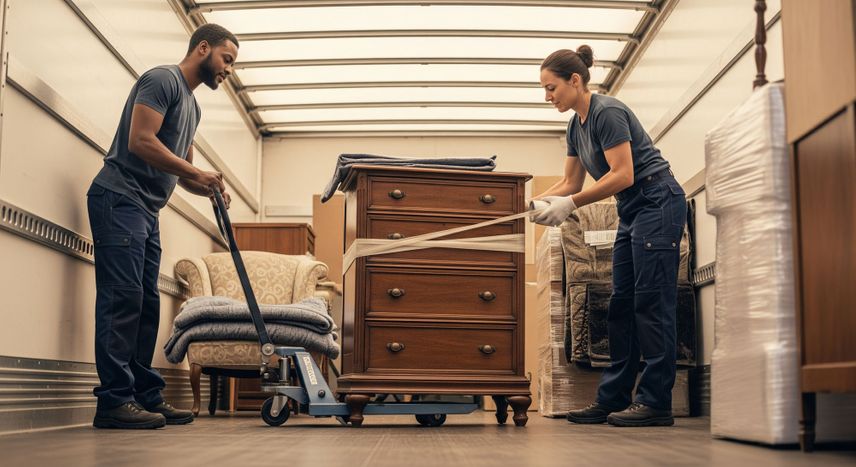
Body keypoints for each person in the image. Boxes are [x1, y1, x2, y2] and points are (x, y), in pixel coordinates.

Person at [86, 24, 238, 429]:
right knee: (122, 299)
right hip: (119, 198)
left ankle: (143, 395)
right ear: (202, 48)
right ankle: (113, 402)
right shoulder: (162, 80)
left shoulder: (193, 107)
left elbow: (182, 170)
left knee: (146, 304)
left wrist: (209, 188)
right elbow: (140, 141)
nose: (228, 70)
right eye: (226, 59)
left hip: (146, 210)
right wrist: (198, 174)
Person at [533, 45, 687, 427]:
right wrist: (533, 204)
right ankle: (612, 398)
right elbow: (571, 182)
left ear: (575, 80)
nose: (547, 96)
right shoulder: (575, 126)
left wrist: (570, 204)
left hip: (657, 200)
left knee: (651, 303)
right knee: (620, 305)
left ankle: (655, 403)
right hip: (632, 209)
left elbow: (623, 174)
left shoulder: (607, 112)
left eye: (551, 88)